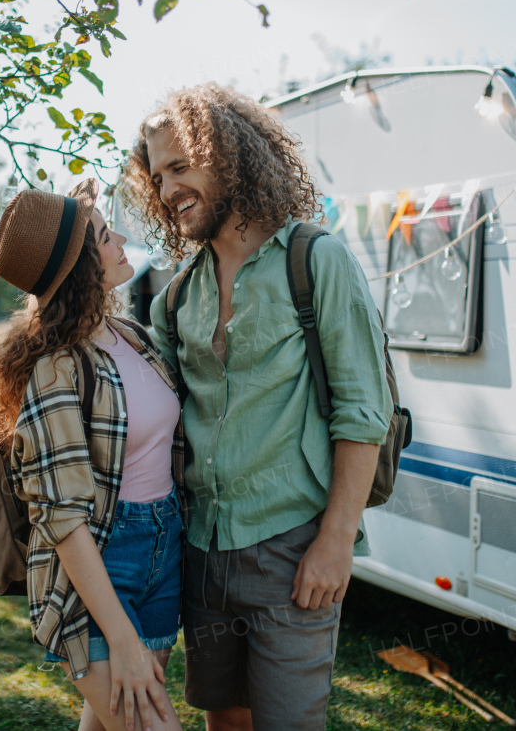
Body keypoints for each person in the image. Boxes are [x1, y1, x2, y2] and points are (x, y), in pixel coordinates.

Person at [121, 84, 393, 731]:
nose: (166, 190)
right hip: (201, 549)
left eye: (180, 167)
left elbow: (364, 410)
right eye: (156, 177)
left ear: (228, 155)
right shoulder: (173, 297)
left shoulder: (315, 260)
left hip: (291, 550)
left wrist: (334, 542)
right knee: (225, 723)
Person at [0, 178, 187, 731]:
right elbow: (64, 519)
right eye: (101, 236)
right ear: (76, 270)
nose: (119, 238)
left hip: (162, 557)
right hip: (95, 570)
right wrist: (120, 637)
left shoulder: (130, 336)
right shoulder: (55, 369)